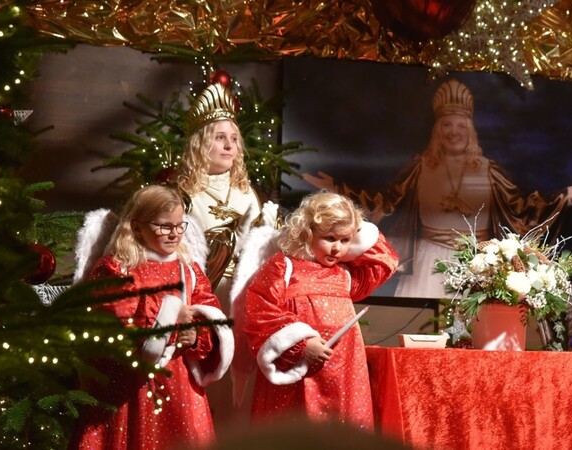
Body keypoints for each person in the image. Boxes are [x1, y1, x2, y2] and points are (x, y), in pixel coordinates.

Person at [304, 79, 572, 299]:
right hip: (427, 257)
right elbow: (386, 201)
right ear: (438, 131)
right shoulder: (420, 167)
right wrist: (338, 189)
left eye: (460, 125)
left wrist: (562, 197)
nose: (454, 131)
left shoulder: (489, 170)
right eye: (447, 125)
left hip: (478, 261)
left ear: (470, 131)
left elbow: (520, 205)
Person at [71, 185, 233, 450]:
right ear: (137, 228)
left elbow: (208, 307)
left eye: (180, 226)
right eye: (164, 226)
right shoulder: (115, 267)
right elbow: (117, 318)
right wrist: (169, 323)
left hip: (179, 383)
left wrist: (196, 336)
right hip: (130, 385)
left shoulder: (188, 268)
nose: (175, 234)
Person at [240, 191, 398, 431]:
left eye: (345, 241)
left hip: (343, 371)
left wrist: (358, 229)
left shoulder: (345, 275)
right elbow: (259, 310)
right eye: (330, 238)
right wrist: (300, 344)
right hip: (296, 369)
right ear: (307, 233)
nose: (337, 248)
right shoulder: (284, 266)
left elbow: (384, 262)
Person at [176, 81, 276, 309]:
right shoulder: (181, 194)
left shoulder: (250, 192)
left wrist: (269, 236)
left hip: (248, 295)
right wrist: (235, 236)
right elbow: (181, 259)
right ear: (199, 144)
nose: (229, 145)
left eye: (233, 139)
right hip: (206, 300)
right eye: (220, 137)